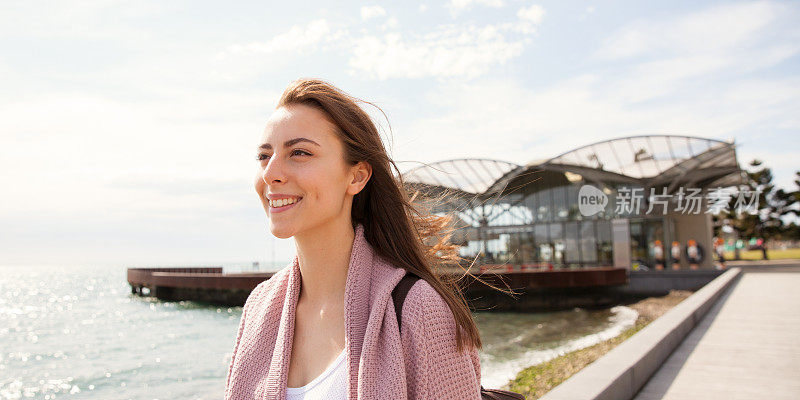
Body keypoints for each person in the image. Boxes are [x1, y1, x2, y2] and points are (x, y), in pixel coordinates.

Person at [224, 78, 483, 400]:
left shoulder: (418, 308)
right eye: (264, 156)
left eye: (299, 152)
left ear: (356, 176)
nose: (271, 173)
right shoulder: (260, 306)